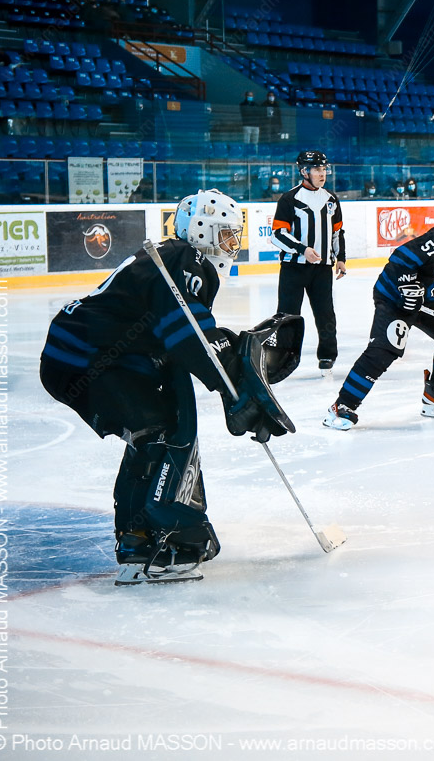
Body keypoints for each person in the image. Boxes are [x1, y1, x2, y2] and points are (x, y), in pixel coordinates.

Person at [39, 190, 299, 582]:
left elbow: (185, 336)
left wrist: (235, 380)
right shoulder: (185, 258)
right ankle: (162, 536)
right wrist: (232, 389)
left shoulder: (174, 256)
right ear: (201, 229)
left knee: (155, 430)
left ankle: (140, 536)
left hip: (89, 357)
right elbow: (187, 334)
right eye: (225, 233)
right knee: (160, 432)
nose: (232, 243)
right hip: (88, 360)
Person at [324, 195, 434, 429]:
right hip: (394, 297)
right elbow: (403, 256)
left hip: (426, 302)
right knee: (386, 349)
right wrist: (407, 286)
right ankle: (342, 406)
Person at [271, 151, 347, 375]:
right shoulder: (289, 199)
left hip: (322, 270)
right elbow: (278, 234)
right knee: (287, 314)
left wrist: (341, 258)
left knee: (325, 313)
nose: (322, 174)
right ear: (304, 171)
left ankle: (327, 356)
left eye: (324, 169)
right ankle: (283, 358)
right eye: (317, 169)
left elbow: (337, 232)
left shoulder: (331, 199)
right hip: (293, 268)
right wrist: (302, 249)